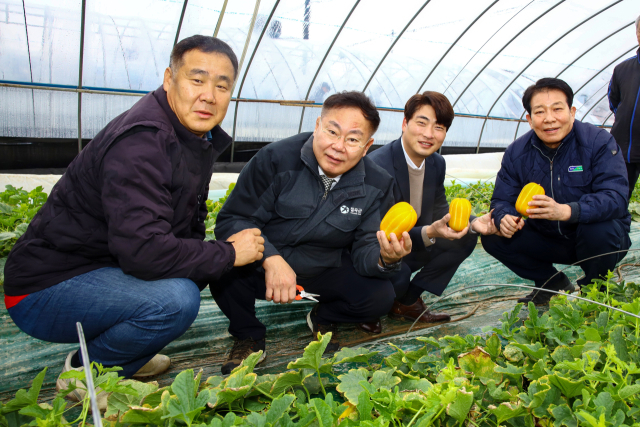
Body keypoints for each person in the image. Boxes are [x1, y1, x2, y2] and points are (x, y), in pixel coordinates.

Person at [3, 36, 264, 406]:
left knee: (189, 274)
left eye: (222, 86)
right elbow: (143, 252)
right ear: (168, 79)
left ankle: (124, 356)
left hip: (100, 267)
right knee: (175, 300)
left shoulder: (193, 137)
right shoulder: (143, 140)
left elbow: (190, 218)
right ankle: (87, 370)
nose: (209, 95)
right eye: (197, 79)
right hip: (44, 288)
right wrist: (226, 254)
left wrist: (212, 258)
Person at [213, 91, 411, 374]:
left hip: (320, 270)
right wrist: (270, 258)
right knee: (220, 263)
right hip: (259, 269)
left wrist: (386, 259)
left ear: (366, 147)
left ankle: (324, 314)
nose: (338, 146)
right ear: (318, 126)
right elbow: (235, 218)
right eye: (332, 131)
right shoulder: (275, 159)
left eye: (353, 139)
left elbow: (365, 247)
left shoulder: (378, 184)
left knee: (380, 296)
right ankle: (248, 335)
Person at [482, 77, 631, 305]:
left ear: (571, 112)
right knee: (492, 235)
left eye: (557, 109)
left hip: (595, 239)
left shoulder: (598, 142)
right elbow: (502, 199)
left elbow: (615, 197)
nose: (549, 119)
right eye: (540, 112)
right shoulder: (516, 152)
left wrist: (567, 211)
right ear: (530, 120)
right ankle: (551, 282)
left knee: (602, 229)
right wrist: (504, 217)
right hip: (547, 237)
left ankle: (594, 288)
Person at [368, 91, 498, 328]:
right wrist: (429, 232)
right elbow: (376, 233)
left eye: (439, 127)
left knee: (466, 237)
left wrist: (473, 220)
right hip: (382, 249)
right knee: (392, 282)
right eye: (421, 123)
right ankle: (368, 305)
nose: (429, 134)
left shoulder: (436, 163)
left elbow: (440, 207)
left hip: (415, 241)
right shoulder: (378, 166)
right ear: (405, 123)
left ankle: (407, 301)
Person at [608, 15, 640, 199]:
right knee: (619, 196)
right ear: (637, 33)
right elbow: (614, 101)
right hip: (624, 146)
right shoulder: (622, 69)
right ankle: (619, 228)